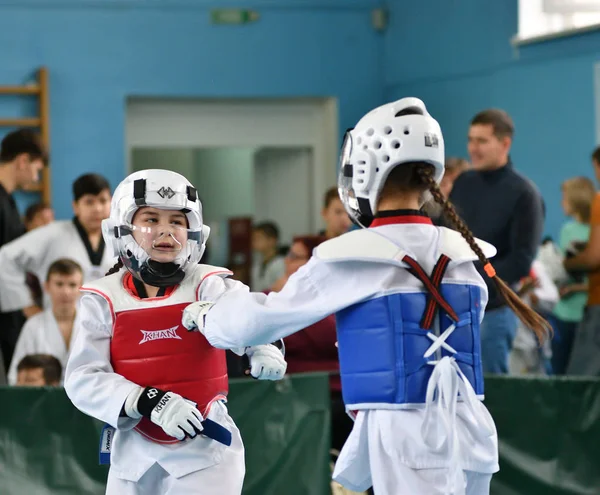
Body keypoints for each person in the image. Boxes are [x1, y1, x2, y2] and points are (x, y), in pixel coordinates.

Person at [182, 97, 550, 495]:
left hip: (407, 431)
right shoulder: (461, 251)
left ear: (364, 169)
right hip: (470, 427)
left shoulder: (354, 255)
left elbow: (263, 318)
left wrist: (208, 315)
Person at [64, 169, 287, 495]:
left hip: (204, 451)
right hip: (132, 455)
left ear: (194, 231)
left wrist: (263, 346)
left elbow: (246, 317)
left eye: (177, 222)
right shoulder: (103, 299)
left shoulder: (209, 284)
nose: (165, 231)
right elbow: (83, 377)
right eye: (151, 220)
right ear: (122, 229)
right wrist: (151, 401)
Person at [448, 109, 544, 374]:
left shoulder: (524, 194)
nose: (473, 148)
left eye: (482, 141)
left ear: (505, 143)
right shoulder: (463, 184)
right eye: (470, 140)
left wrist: (474, 281)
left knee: (493, 394)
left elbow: (520, 261)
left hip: (494, 312)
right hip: (455, 309)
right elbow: (448, 237)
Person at [0, 173, 115, 315]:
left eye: (103, 201)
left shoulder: (122, 239)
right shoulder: (52, 234)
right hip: (57, 329)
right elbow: (6, 257)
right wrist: (26, 306)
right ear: (75, 206)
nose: (97, 208)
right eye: (89, 202)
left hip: (110, 327)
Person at [0, 129, 47, 376]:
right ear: (23, 161)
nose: (36, 176)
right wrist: (24, 304)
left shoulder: (9, 201)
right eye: (36, 169)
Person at [8, 258, 83, 385]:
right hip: (42, 400)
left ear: (81, 289)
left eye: (72, 285)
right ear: (46, 286)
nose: (65, 292)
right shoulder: (33, 326)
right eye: (59, 284)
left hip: (85, 400)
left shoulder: (94, 325)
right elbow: (16, 376)